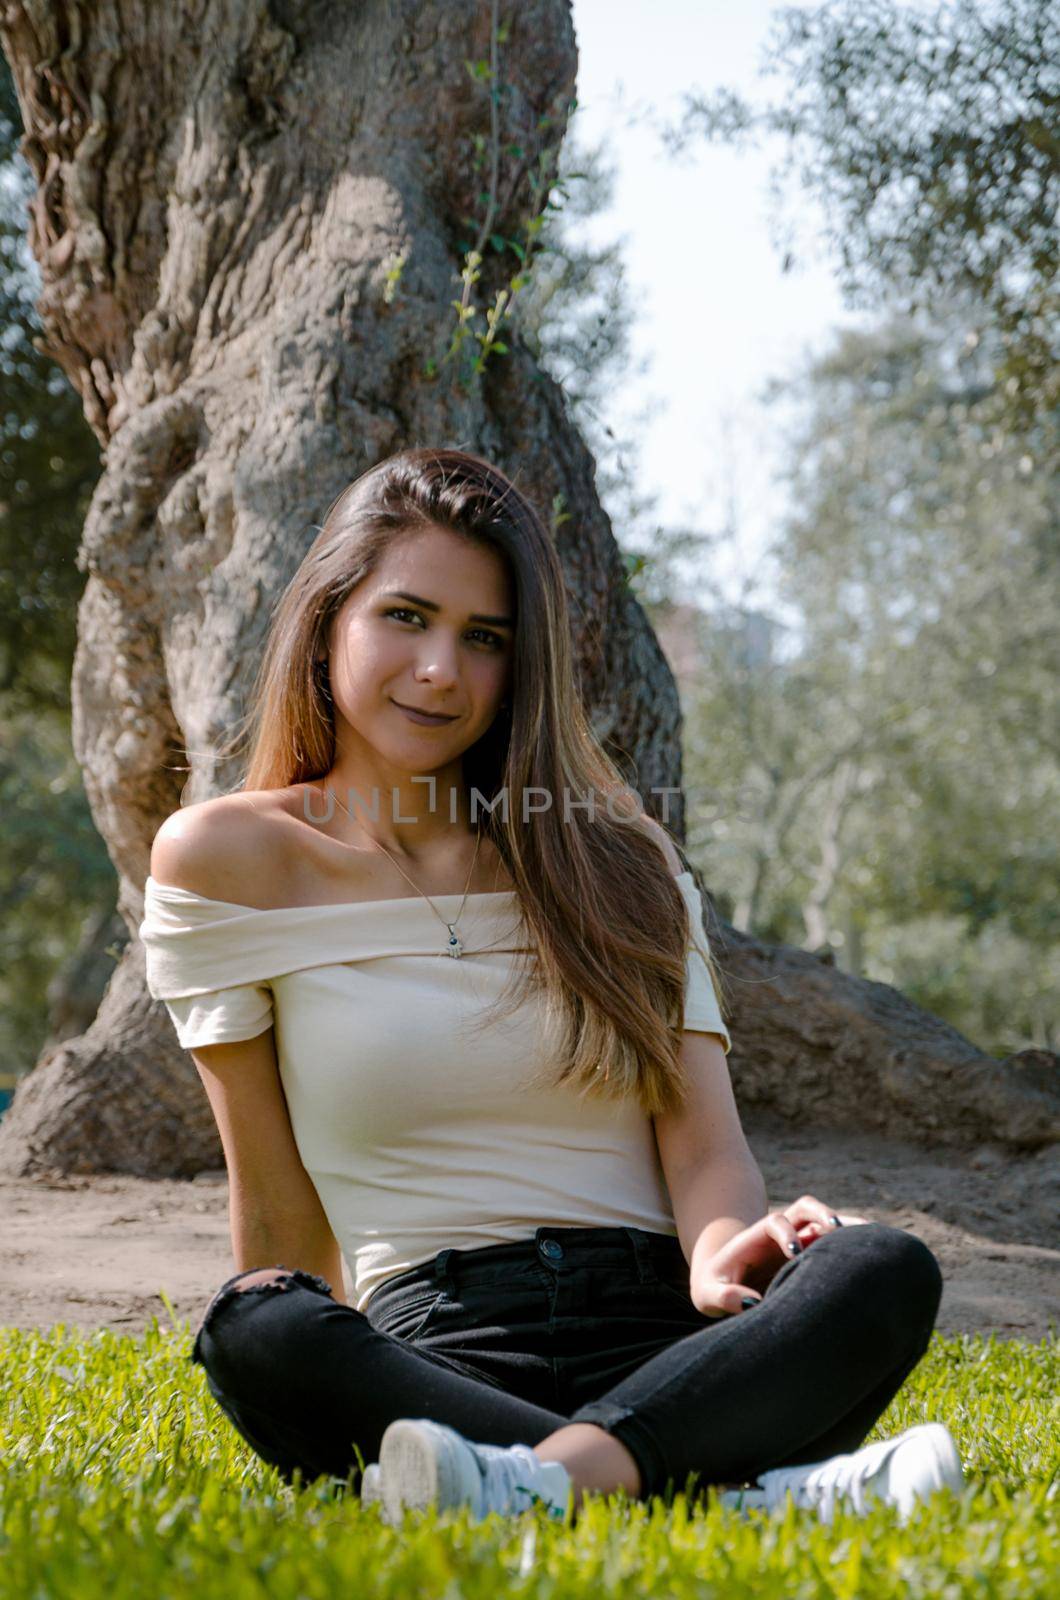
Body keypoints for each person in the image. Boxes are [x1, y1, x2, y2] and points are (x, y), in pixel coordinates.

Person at [139, 447, 966, 1529]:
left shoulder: (616, 855)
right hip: (435, 1352)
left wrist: (729, 1253)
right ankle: (744, 1490)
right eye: (406, 616)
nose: (441, 670)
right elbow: (275, 1194)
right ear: (327, 614)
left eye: (484, 639)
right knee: (257, 1323)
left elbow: (705, 1147)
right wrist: (297, 1331)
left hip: (669, 1337)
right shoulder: (225, 861)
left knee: (880, 1264)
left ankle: (530, 1484)